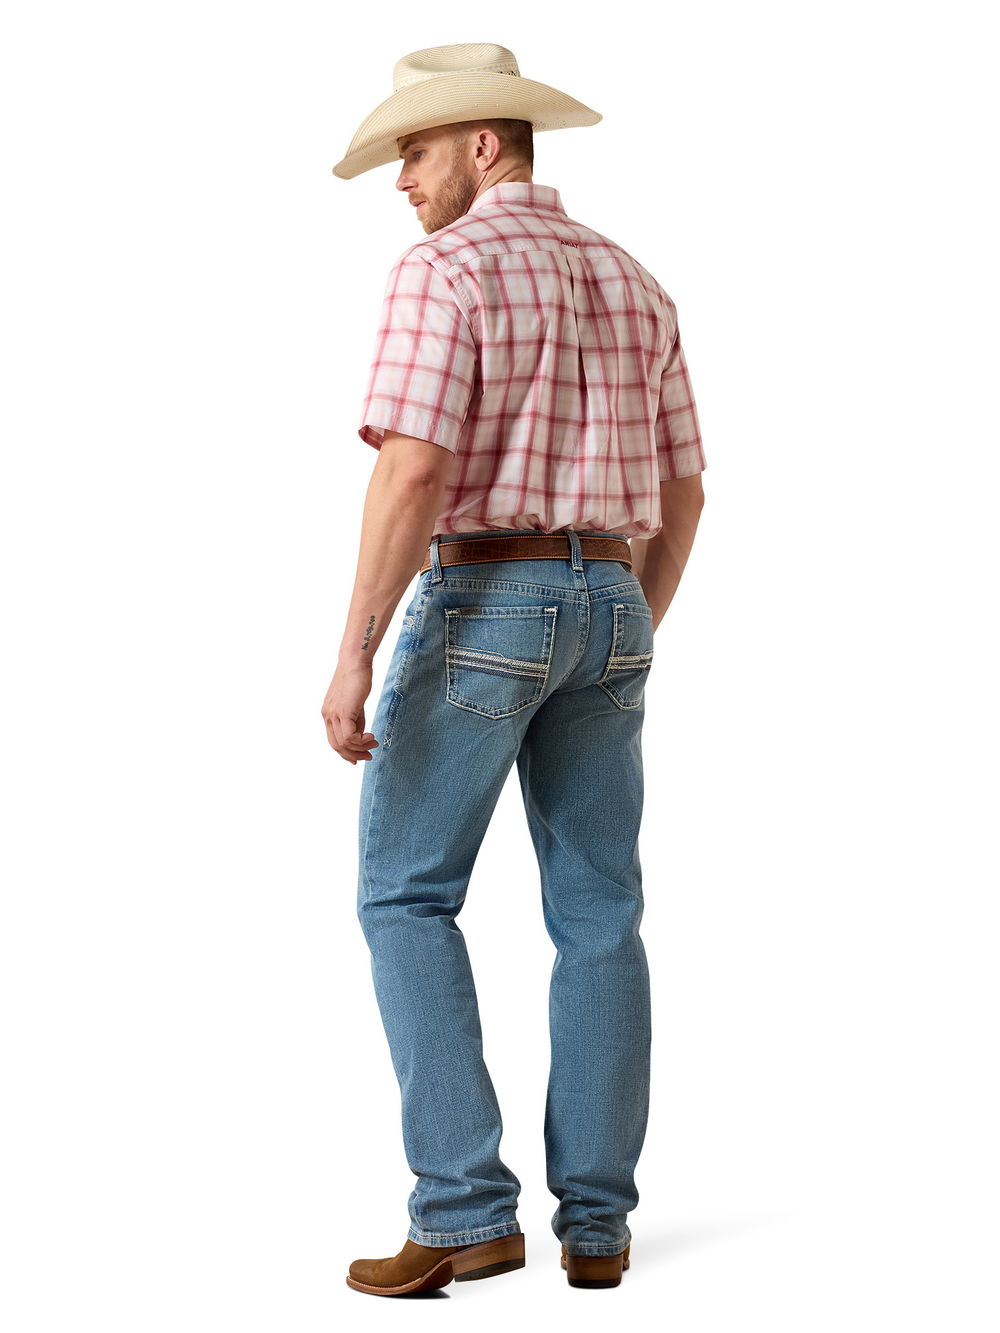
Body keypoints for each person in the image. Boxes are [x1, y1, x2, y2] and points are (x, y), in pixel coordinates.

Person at [322, 42, 707, 1296]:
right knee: (600, 913)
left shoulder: (445, 268)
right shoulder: (635, 281)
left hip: (487, 591)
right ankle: (597, 1228)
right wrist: (621, 620)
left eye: (415, 151)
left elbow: (413, 470)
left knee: (405, 895)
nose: (402, 180)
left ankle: (463, 1210)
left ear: (483, 144)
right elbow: (685, 492)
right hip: (612, 595)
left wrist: (353, 652)